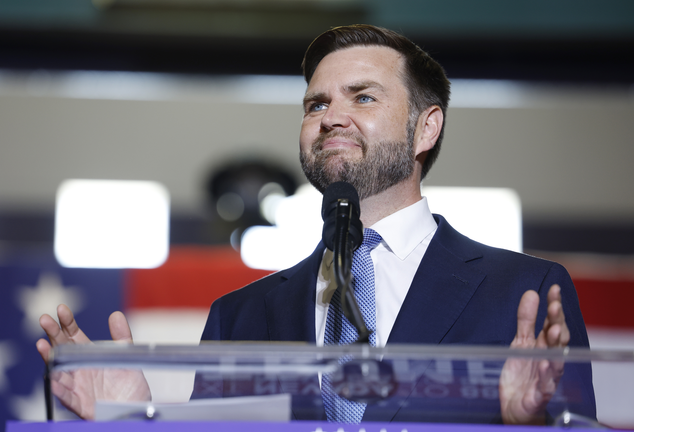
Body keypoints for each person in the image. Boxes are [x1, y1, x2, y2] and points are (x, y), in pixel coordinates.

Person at [38, 24, 595, 425]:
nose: (330, 117)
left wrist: (533, 425)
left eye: (364, 97)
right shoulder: (239, 316)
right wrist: (138, 418)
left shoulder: (524, 292)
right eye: (315, 104)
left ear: (426, 129)